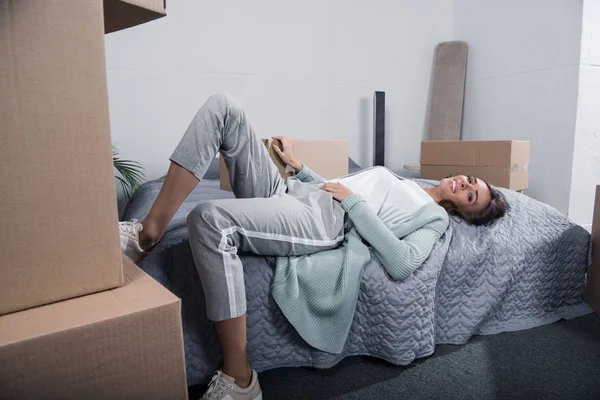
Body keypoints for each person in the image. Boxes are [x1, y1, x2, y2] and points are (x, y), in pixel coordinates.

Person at [119, 94, 509, 400]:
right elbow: (342, 186)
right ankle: (147, 232)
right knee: (225, 107)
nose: (464, 183)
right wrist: (297, 166)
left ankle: (240, 378)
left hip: (326, 221)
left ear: (464, 212)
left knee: (209, 218)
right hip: (297, 192)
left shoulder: (435, 218)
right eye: (470, 179)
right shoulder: (411, 182)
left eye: (471, 195)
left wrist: (352, 203)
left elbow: (403, 261)